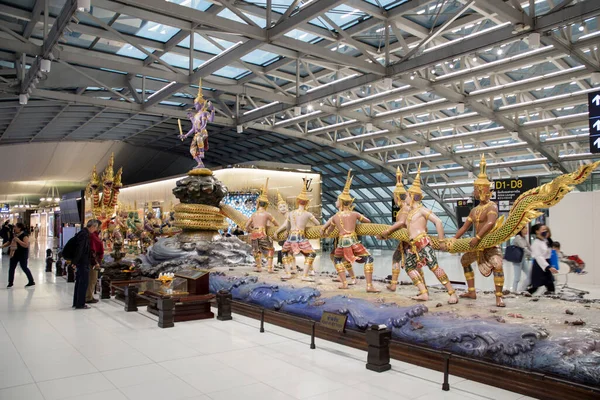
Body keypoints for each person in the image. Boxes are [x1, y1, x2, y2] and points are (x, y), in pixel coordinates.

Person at [380, 165, 458, 304]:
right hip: (413, 246)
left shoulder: (422, 210)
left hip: (423, 243)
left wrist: (441, 242)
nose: (406, 197)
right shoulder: (409, 212)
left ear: (413, 197)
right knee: (409, 268)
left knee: (434, 267)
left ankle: (452, 293)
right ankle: (423, 292)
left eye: (408, 195)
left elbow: (438, 222)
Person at [454, 155, 506, 307]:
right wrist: (454, 240)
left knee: (497, 264)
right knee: (464, 260)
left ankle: (499, 297)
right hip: (476, 245)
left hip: (489, 244)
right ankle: (471, 291)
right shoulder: (474, 210)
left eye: (475, 189)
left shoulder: (492, 206)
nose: (474, 192)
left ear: (482, 190)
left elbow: (490, 223)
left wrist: (477, 237)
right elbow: (464, 227)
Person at [321, 169, 379, 292]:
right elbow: (367, 221)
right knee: (369, 259)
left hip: (342, 243)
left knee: (336, 259)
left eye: (337, 200)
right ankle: (369, 286)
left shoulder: (335, 217)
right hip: (353, 241)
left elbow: (330, 230)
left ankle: (344, 283)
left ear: (341, 202)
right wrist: (356, 224)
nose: (336, 202)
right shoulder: (355, 213)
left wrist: (324, 232)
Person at [275, 180, 319, 281]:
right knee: (311, 254)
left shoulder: (291, 213)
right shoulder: (308, 214)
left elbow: (288, 226)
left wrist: (286, 232)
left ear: (297, 201)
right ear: (307, 202)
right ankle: (304, 275)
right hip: (301, 237)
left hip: (291, 237)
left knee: (284, 253)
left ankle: (288, 273)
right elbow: (317, 224)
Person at [245, 179, 279, 273]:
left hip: (254, 234)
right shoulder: (267, 214)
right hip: (262, 233)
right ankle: (269, 268)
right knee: (270, 249)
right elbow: (277, 225)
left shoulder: (254, 214)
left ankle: (259, 267)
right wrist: (270, 228)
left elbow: (246, 226)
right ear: (266, 205)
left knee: (256, 250)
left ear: (258, 203)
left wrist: (251, 230)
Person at [72, 220, 99, 309]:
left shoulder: (83, 233)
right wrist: (75, 262)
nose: (95, 230)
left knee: (79, 282)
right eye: (95, 228)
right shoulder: (85, 235)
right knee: (83, 282)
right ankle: (80, 304)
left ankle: (77, 302)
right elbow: (80, 249)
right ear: (92, 227)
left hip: (81, 262)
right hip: (83, 262)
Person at [527, 224, 557, 295]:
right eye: (543, 230)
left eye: (546, 229)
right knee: (536, 286)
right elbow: (539, 257)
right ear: (537, 231)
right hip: (539, 265)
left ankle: (550, 295)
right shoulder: (536, 243)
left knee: (550, 284)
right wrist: (548, 267)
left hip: (546, 263)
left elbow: (549, 252)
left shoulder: (545, 240)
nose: (545, 231)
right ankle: (525, 294)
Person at [7, 223, 35, 288]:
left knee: (24, 267)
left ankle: (31, 281)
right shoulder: (14, 234)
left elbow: (26, 245)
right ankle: (10, 282)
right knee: (11, 268)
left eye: (16, 227)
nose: (14, 228)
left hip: (22, 254)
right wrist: (2, 246)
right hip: (15, 253)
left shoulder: (24, 235)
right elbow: (9, 242)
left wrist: (18, 240)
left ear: (19, 228)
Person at [510, 227, 531, 293]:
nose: (526, 230)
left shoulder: (524, 238)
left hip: (523, 259)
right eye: (524, 229)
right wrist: (532, 254)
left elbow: (529, 247)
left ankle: (522, 289)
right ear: (520, 230)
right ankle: (514, 291)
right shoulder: (518, 237)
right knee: (517, 278)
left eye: (527, 229)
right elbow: (523, 248)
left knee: (529, 274)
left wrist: (535, 252)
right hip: (517, 260)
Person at [86, 222, 104, 304]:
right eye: (99, 227)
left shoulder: (95, 235)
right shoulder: (93, 236)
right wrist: (95, 261)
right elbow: (92, 250)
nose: (100, 229)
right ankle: (88, 297)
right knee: (91, 279)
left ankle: (90, 295)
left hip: (95, 260)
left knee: (93, 279)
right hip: (93, 261)